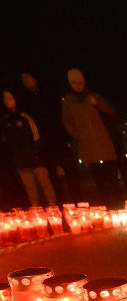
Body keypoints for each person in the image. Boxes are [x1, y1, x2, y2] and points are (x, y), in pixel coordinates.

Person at [20, 69, 79, 202]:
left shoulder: (49, 94)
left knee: (70, 170)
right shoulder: (26, 100)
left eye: (27, 77)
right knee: (52, 174)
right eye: (23, 79)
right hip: (43, 143)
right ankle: (61, 201)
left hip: (58, 139)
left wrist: (65, 136)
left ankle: (77, 199)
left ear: (35, 79)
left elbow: (60, 116)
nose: (25, 81)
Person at [62, 69, 119, 206]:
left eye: (80, 82)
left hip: (104, 142)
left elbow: (111, 111)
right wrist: (78, 135)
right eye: (74, 83)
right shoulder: (68, 102)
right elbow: (67, 122)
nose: (78, 85)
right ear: (70, 84)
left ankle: (118, 203)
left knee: (112, 176)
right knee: (98, 177)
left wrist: (97, 103)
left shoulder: (94, 96)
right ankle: (107, 203)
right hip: (88, 145)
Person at [1, 89, 56, 207]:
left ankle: (52, 207)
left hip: (35, 157)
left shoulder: (25, 116)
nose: (7, 101)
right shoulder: (5, 120)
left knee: (45, 183)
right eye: (5, 98)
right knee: (29, 186)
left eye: (10, 97)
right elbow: (6, 142)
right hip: (20, 160)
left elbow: (36, 135)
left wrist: (37, 152)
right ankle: (35, 209)